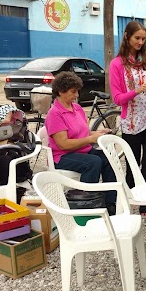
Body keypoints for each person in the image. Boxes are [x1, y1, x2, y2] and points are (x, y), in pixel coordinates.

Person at [109, 21, 146, 222]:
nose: (140, 42)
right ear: (127, 37)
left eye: (143, 38)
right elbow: (117, 98)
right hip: (130, 121)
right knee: (132, 164)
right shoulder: (117, 64)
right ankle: (130, 199)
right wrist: (136, 91)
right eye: (136, 38)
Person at [45, 72, 117, 213]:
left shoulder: (77, 108)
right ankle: (85, 203)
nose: (77, 95)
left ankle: (110, 203)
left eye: (77, 91)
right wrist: (90, 139)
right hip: (61, 156)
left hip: (80, 150)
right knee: (93, 162)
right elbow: (63, 144)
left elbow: (82, 132)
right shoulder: (55, 114)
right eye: (73, 92)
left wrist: (98, 133)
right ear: (61, 91)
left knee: (108, 158)